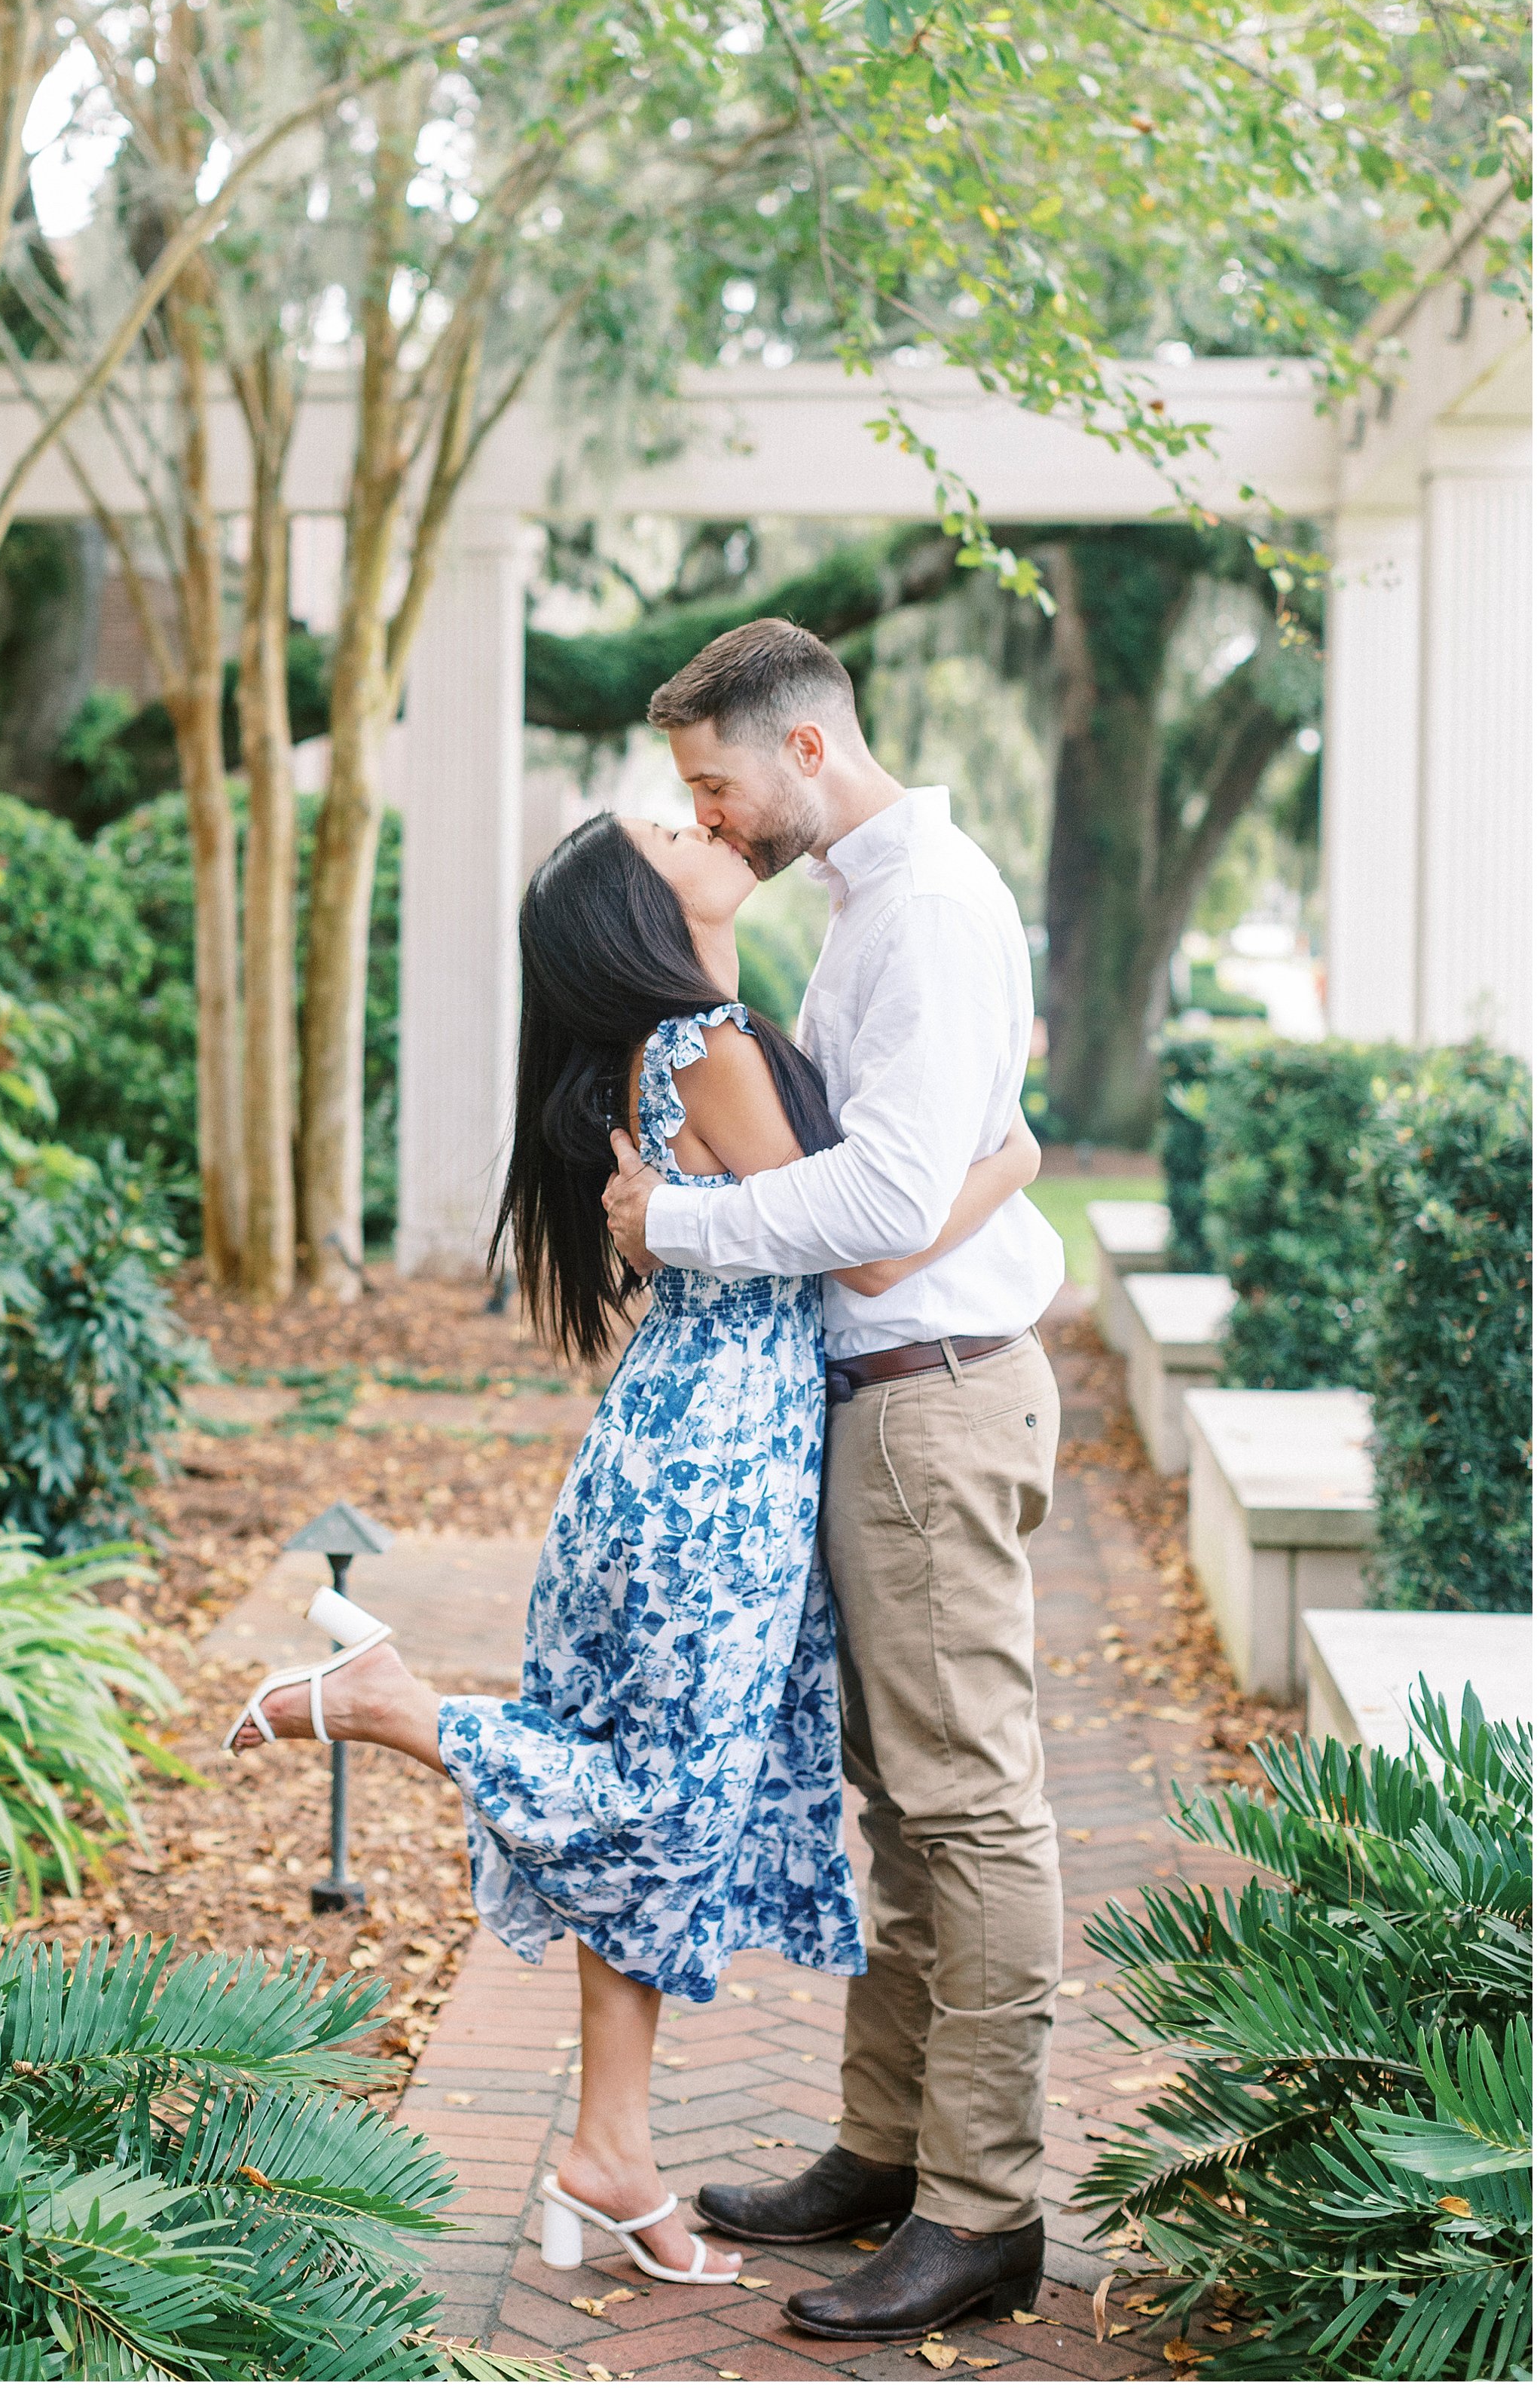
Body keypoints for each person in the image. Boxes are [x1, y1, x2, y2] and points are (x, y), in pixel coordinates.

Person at [225, 803, 1040, 2290]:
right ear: (636, 911)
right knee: (666, 1807)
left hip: (668, 1455)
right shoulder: (703, 1050)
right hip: (712, 1479)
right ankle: (398, 1709)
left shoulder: (682, 1050)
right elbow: (872, 1233)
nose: (704, 824)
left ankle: (609, 2150)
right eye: (671, 828)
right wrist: (1007, 1159)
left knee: (645, 1796)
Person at [601, 618, 1068, 2345]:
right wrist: (993, 1162)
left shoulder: (926, 910)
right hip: (887, 1399)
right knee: (901, 1799)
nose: (708, 821)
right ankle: (887, 2150)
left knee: (964, 1805)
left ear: (803, 748)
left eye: (714, 784)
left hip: (929, 1401)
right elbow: (946, 1157)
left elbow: (875, 1216)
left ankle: (981, 2205)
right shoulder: (877, 907)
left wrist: (679, 1223)